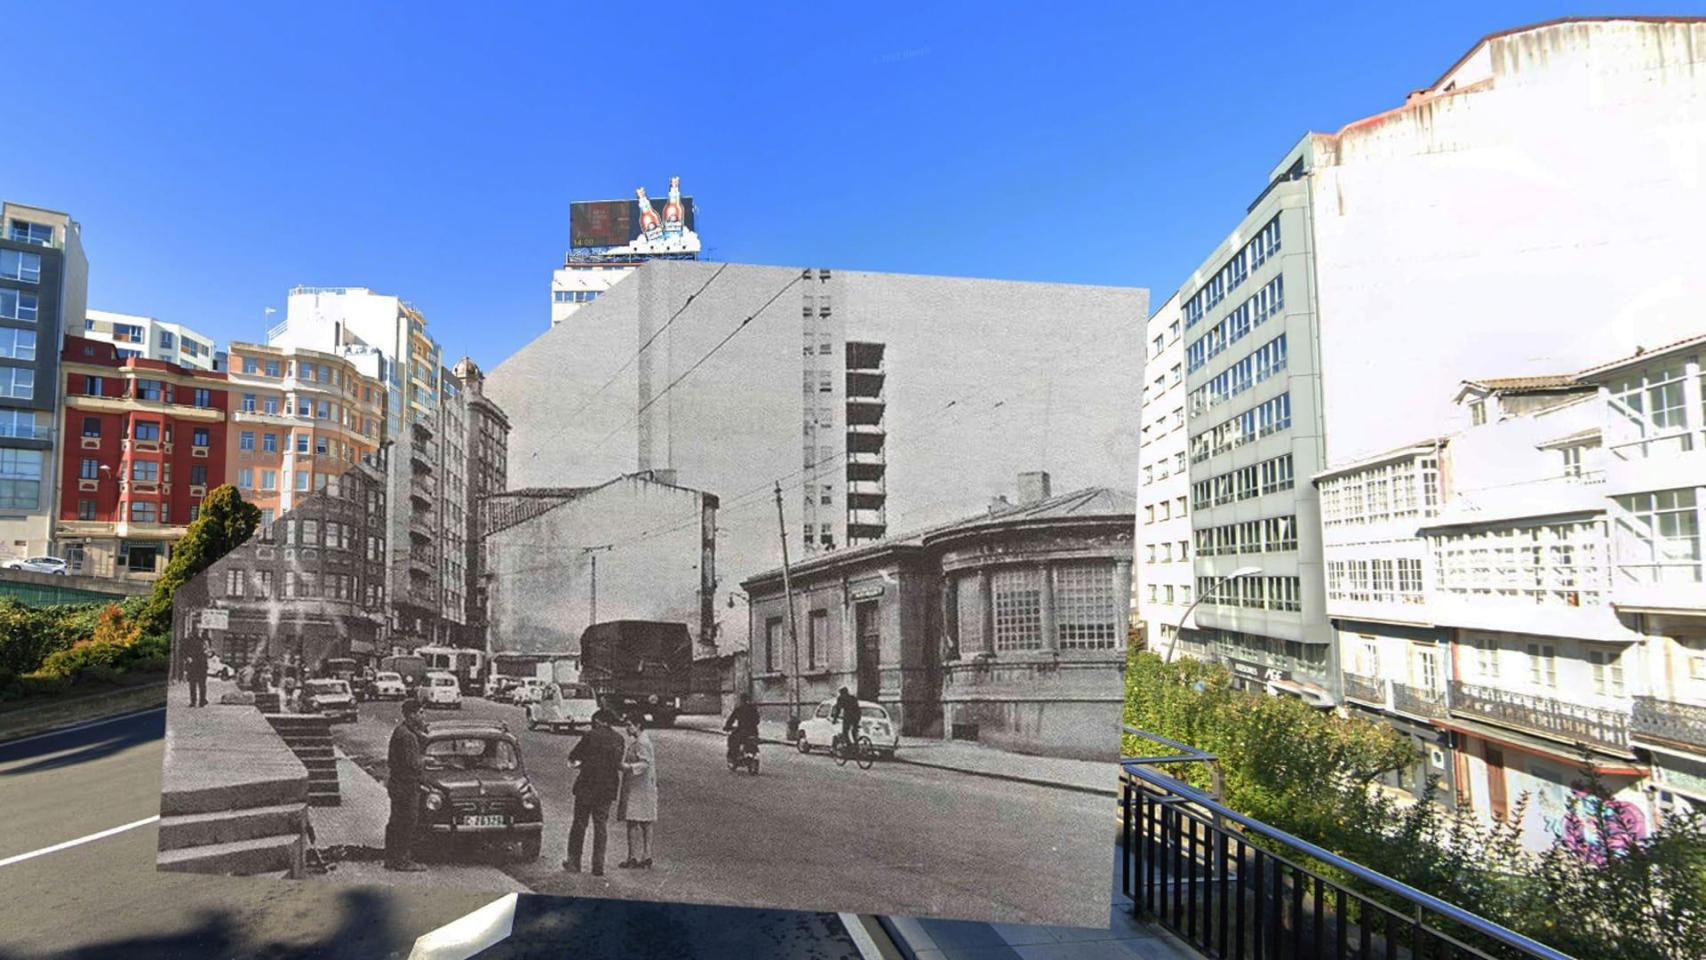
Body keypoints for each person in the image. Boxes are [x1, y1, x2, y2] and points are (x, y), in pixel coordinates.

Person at [564, 709, 627, 876]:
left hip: (587, 786)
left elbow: (574, 756)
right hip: (607, 789)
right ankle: (598, 866)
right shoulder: (619, 739)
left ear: (598, 721)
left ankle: (574, 862)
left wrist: (580, 765)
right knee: (601, 827)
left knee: (579, 824)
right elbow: (617, 763)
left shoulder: (590, 735)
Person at [384, 699, 428, 872]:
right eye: (421, 713)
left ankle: (391, 859)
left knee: (395, 821)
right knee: (407, 822)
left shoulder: (402, 731)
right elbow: (413, 763)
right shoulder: (407, 736)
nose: (423, 716)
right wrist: (426, 760)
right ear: (412, 715)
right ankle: (402, 860)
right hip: (406, 786)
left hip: (397, 784)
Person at [616, 716, 658, 870]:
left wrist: (626, 767)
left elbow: (645, 763)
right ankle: (645, 856)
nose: (627, 728)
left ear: (638, 725)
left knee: (634, 822)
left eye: (629, 725)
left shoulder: (642, 742)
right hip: (642, 786)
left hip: (639, 787)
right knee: (644, 822)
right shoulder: (641, 741)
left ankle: (635, 856)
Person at [724, 692, 759, 762]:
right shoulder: (753, 709)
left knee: (732, 739)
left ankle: (734, 756)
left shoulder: (739, 709)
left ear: (741, 700)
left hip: (742, 731)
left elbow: (731, 719)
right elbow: (757, 720)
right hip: (753, 731)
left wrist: (727, 726)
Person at [831, 687, 862, 752]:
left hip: (848, 716)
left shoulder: (840, 698)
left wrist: (834, 719)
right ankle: (857, 746)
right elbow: (857, 707)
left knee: (845, 732)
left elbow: (838, 710)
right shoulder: (853, 697)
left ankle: (849, 746)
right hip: (857, 715)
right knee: (854, 731)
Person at [185, 633, 209, 708]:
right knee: (202, 685)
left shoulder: (189, 642)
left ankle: (193, 702)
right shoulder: (204, 642)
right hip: (201, 666)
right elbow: (207, 653)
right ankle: (202, 702)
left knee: (193, 685)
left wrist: (187, 658)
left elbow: (184, 652)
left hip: (193, 666)